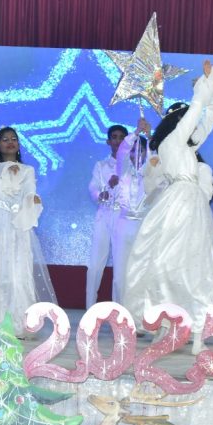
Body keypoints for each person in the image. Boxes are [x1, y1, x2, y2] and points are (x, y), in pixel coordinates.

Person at [123, 60, 213, 354]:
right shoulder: (170, 143)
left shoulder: (187, 147)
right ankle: (166, 324)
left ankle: (196, 334)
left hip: (192, 206)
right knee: (166, 264)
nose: (192, 126)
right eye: (186, 121)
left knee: (197, 265)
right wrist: (200, 91)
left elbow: (208, 120)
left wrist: (211, 83)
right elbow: (196, 112)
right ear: (177, 123)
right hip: (178, 203)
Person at [0, 127, 56, 337]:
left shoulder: (28, 169)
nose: (10, 142)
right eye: (5, 139)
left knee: (18, 273)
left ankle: (19, 322)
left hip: (18, 225)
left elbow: (29, 190)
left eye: (14, 139)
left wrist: (32, 199)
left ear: (19, 144)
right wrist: (10, 167)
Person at [85, 124, 128, 309]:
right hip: (104, 215)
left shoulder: (133, 166)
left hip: (124, 217)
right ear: (108, 141)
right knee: (95, 263)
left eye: (121, 137)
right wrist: (100, 194)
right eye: (114, 137)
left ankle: (119, 311)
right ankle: (89, 307)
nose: (118, 141)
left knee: (121, 265)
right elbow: (93, 188)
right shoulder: (101, 165)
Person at [111, 118, 151, 314]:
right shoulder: (124, 170)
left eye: (140, 150)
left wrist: (149, 135)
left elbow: (156, 155)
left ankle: (141, 315)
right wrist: (136, 132)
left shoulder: (151, 173)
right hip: (124, 224)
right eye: (134, 150)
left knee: (142, 271)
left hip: (144, 227)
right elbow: (122, 151)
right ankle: (120, 315)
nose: (136, 154)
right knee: (120, 272)